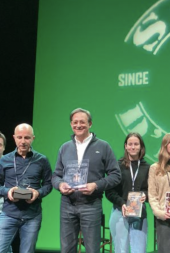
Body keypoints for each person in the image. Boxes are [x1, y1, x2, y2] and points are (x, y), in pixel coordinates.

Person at [52, 108, 121, 253]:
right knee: (66, 249)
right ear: (71, 124)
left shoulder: (103, 146)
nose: (78, 125)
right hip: (67, 204)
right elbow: (56, 176)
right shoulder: (65, 148)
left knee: (92, 249)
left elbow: (116, 175)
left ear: (90, 124)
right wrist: (60, 184)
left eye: (82, 122)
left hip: (91, 205)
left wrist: (96, 185)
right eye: (75, 122)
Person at [0, 124, 52, 253]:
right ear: (14, 138)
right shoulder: (5, 160)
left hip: (32, 215)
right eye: (19, 137)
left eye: (27, 137)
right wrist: (8, 191)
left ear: (33, 138)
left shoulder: (42, 160)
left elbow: (48, 184)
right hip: (9, 213)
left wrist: (37, 193)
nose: (23, 141)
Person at [106, 133, 150, 253]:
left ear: (141, 147)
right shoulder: (117, 166)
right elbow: (109, 191)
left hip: (139, 214)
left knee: (139, 250)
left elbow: (151, 191)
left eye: (136, 144)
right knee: (121, 250)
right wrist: (122, 203)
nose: (133, 147)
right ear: (125, 146)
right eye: (130, 144)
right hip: (120, 212)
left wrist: (145, 196)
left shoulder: (147, 167)